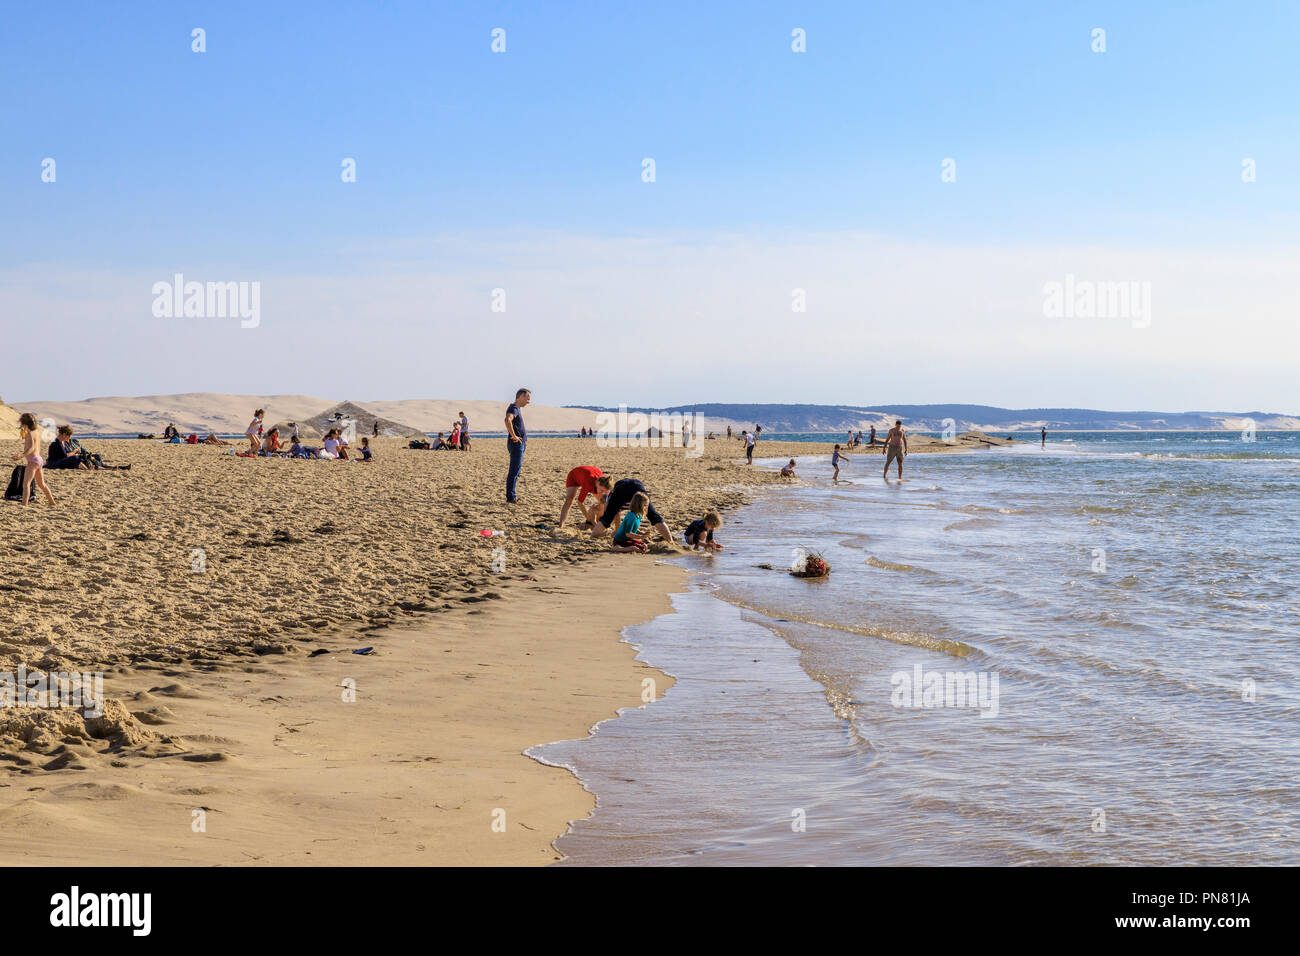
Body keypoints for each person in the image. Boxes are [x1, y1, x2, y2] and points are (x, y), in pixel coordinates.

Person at [591, 477, 674, 546]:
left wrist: (617, 530)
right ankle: (671, 542)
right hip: (637, 485)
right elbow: (616, 516)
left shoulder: (610, 499)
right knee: (653, 516)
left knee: (606, 519)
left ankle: (592, 536)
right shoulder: (613, 498)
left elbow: (615, 515)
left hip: (623, 487)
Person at [12, 414, 55, 506]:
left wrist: (21, 455)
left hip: (33, 460)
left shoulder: (30, 433)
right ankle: (52, 502)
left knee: (26, 484)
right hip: (39, 459)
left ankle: (24, 504)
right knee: (42, 484)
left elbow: (31, 448)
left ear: (25, 424)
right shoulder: (36, 432)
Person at [505, 388, 529, 503]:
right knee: (514, 471)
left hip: (520, 444)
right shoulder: (514, 408)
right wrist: (514, 436)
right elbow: (507, 420)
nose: (528, 401)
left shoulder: (517, 408)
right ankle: (511, 497)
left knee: (516, 471)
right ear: (520, 397)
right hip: (516, 444)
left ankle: (511, 495)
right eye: (527, 398)